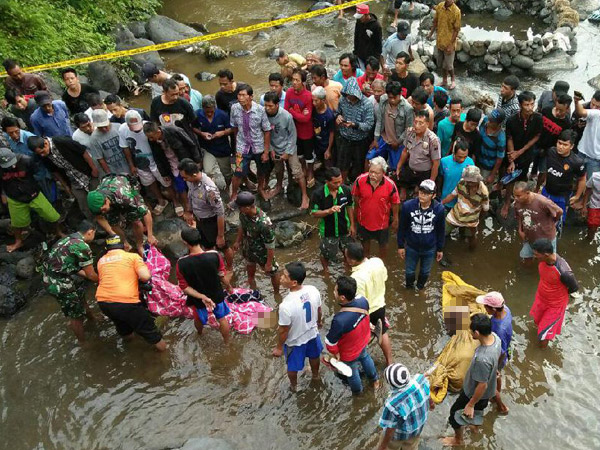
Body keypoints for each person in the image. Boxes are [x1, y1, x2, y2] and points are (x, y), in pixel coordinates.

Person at [96, 235, 167, 351]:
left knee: (123, 327)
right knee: (153, 334)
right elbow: (145, 276)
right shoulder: (132, 257)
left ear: (107, 249)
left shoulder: (101, 261)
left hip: (103, 302)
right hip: (126, 301)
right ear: (124, 246)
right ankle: (164, 357)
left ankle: (131, 349)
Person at [441, 313, 502, 447]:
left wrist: (470, 404)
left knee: (454, 416)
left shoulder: (482, 358)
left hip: (473, 394)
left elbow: (482, 385)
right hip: (487, 394)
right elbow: (500, 355)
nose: (470, 333)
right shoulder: (496, 339)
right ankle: (474, 428)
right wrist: (494, 369)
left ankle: (458, 440)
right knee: (479, 411)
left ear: (477, 332)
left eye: (471, 331)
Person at [41, 221, 98, 342]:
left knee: (80, 297)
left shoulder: (66, 239)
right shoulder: (82, 246)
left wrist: (91, 277)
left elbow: (70, 265)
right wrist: (104, 281)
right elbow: (91, 275)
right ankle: (83, 343)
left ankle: (92, 318)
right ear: (90, 232)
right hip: (59, 283)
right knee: (75, 315)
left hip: (49, 277)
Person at [272, 262, 322, 390]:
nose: (281, 278)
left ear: (294, 282)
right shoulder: (313, 290)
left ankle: (294, 386)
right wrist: (319, 322)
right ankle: (316, 376)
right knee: (314, 356)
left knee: (292, 366)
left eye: (284, 276)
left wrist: (278, 347)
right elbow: (319, 310)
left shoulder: (286, 305)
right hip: (312, 333)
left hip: (295, 341)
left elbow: (283, 330)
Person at [176, 227, 232, 344]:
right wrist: (229, 286)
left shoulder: (181, 263)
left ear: (185, 243)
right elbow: (222, 275)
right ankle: (227, 342)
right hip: (216, 294)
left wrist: (201, 296)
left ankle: (200, 334)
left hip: (197, 298)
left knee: (198, 318)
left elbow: (184, 287)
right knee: (221, 318)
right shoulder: (214, 255)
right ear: (200, 239)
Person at [326, 276, 380, 394]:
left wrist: (335, 353)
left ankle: (358, 393)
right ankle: (375, 380)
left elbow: (330, 342)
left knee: (351, 372)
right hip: (362, 342)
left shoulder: (339, 320)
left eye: (335, 290)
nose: (333, 292)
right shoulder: (363, 300)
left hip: (349, 352)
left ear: (342, 297)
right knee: (365, 357)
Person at [0, 148, 61, 252]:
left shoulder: (26, 160)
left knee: (52, 215)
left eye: (12, 163)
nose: (12, 166)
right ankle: (18, 241)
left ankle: (58, 232)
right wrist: (3, 196)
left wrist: (32, 185)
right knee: (17, 223)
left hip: (34, 195)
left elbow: (39, 173)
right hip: (15, 198)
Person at [179, 158, 233, 270]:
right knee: (207, 246)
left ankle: (230, 268)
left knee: (223, 246)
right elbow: (191, 196)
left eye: (185, 177)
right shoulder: (191, 181)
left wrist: (220, 235)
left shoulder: (209, 189)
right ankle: (216, 266)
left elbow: (220, 212)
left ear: (194, 174)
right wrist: (189, 211)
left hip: (212, 222)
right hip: (200, 221)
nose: (184, 180)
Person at [27, 135, 99, 220]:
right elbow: (55, 171)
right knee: (84, 206)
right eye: (39, 154)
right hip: (74, 181)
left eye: (42, 152)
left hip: (88, 174)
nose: (42, 155)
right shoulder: (43, 156)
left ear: (46, 144)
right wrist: (65, 186)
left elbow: (83, 152)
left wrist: (94, 168)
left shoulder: (61, 141)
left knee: (98, 201)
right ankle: (98, 227)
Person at [346, 241, 393, 366]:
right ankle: (390, 362)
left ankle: (362, 363)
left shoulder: (356, 277)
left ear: (351, 261)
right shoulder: (377, 261)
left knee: (359, 340)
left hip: (368, 311)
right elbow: (385, 278)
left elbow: (360, 302)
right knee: (383, 332)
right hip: (380, 305)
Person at [86, 174, 158, 254]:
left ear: (106, 200)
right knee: (113, 222)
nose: (103, 213)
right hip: (108, 189)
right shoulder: (95, 201)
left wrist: (150, 235)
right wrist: (120, 240)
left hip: (126, 185)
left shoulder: (125, 198)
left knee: (135, 220)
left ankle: (139, 244)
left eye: (103, 210)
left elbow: (146, 213)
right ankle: (126, 244)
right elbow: (101, 218)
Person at [144, 121, 202, 216]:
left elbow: (191, 144)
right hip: (172, 165)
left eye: (152, 137)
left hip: (185, 161)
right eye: (148, 137)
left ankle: (199, 203)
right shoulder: (153, 141)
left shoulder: (174, 131)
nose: (150, 140)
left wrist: (197, 160)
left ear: (158, 132)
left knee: (194, 183)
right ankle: (187, 207)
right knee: (180, 186)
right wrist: (164, 173)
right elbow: (157, 157)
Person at [500, 91, 543, 219]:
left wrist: (520, 152)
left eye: (532, 104)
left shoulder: (538, 118)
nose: (530, 107)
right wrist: (512, 158)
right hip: (511, 151)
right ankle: (507, 202)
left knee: (523, 177)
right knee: (510, 177)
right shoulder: (512, 121)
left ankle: (521, 200)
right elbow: (509, 137)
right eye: (527, 104)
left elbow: (537, 136)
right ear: (520, 105)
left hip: (526, 153)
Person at [119, 110, 170, 215]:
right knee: (149, 182)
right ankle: (161, 201)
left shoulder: (148, 127)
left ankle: (175, 200)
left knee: (166, 181)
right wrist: (131, 165)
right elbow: (126, 148)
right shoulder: (122, 129)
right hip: (140, 162)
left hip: (155, 160)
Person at [264, 91, 309, 208]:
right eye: (266, 105)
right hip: (274, 148)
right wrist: (271, 150)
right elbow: (265, 134)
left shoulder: (286, 116)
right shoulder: (263, 116)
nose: (268, 108)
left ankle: (305, 196)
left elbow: (292, 135)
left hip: (289, 148)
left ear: (277, 105)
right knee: (278, 170)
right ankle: (278, 187)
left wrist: (288, 152)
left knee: (296, 171)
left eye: (270, 106)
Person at [530, 238, 578, 348]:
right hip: (541, 298)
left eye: (536, 254)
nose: (534, 256)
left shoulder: (564, 272)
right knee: (537, 322)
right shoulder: (543, 261)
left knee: (544, 335)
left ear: (546, 254)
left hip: (555, 306)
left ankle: (539, 355)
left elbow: (574, 288)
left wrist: (557, 295)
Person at [397, 179, 445, 289]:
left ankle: (420, 288)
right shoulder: (407, 206)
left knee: (425, 272)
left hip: (429, 248)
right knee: (409, 272)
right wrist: (400, 246)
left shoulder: (439, 209)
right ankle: (409, 289)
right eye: (421, 192)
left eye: (427, 193)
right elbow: (402, 227)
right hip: (411, 246)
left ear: (433, 195)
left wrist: (440, 249)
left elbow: (440, 230)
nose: (422, 195)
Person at [229, 83, 272, 203]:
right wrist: (237, 145)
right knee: (238, 171)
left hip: (258, 146)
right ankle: (234, 194)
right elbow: (234, 127)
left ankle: (260, 189)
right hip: (242, 146)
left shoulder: (260, 110)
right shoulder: (234, 108)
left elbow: (267, 130)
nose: (240, 98)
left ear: (251, 97)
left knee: (261, 170)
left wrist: (266, 152)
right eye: (239, 95)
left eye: (243, 95)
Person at [352, 157, 400, 259]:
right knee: (364, 245)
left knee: (383, 245)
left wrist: (395, 219)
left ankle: (381, 264)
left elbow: (395, 202)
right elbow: (355, 198)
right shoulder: (360, 180)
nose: (373, 175)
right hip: (363, 220)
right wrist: (354, 218)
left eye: (376, 173)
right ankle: (365, 262)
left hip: (382, 222)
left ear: (383, 172)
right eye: (371, 172)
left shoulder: (390, 185)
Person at [233, 191, 280, 293]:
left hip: (262, 252)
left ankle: (277, 293)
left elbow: (270, 246)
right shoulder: (243, 213)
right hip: (248, 247)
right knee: (250, 267)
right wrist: (238, 241)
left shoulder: (264, 223)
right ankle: (252, 287)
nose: (238, 210)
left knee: (273, 271)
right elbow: (242, 225)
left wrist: (268, 263)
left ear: (247, 208)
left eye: (239, 207)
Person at [311, 167, 355, 274]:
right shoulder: (318, 194)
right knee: (325, 253)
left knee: (348, 251)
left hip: (344, 227)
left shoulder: (345, 190)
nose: (338, 185)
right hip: (328, 230)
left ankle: (347, 269)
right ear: (327, 182)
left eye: (340, 181)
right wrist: (328, 211)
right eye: (335, 183)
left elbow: (350, 206)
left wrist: (352, 225)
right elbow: (313, 213)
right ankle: (326, 272)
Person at [377, 363, 430, 450]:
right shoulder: (420, 379)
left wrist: (382, 446)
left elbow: (390, 429)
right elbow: (428, 393)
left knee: (390, 447)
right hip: (417, 429)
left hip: (399, 435)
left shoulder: (392, 405)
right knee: (411, 446)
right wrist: (431, 404)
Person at [476, 291, 512, 414]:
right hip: (506, 350)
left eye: (486, 307)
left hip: (498, 357)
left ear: (494, 309)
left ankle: (502, 407)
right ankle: (497, 389)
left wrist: (494, 366)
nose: (484, 308)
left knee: (490, 386)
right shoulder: (506, 309)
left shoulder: (499, 329)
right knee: (497, 376)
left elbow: (500, 352)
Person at [1, 117, 54, 201]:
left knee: (49, 192)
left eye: (17, 131)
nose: (14, 135)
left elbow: (44, 155)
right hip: (27, 172)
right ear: (6, 132)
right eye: (11, 133)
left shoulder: (29, 138)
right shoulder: (7, 136)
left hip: (39, 171)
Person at [541, 130, 586, 226]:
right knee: (542, 216)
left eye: (565, 145)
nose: (560, 147)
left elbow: (582, 179)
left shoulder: (577, 162)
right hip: (546, 191)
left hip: (562, 197)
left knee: (558, 221)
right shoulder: (551, 151)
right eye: (559, 143)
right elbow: (546, 169)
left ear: (571, 146)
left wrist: (577, 196)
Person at [336, 77, 375, 182]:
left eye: (351, 95)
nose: (349, 97)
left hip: (360, 140)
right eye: (347, 95)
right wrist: (338, 117)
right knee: (343, 165)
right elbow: (337, 112)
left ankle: (357, 186)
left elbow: (369, 124)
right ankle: (342, 186)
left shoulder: (366, 104)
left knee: (358, 167)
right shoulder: (343, 100)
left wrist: (355, 125)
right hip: (345, 138)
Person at [396, 110, 441, 201]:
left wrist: (431, 181)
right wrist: (399, 166)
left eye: (420, 123)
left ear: (427, 124)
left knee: (422, 192)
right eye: (415, 122)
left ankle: (418, 190)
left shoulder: (433, 140)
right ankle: (403, 191)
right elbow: (405, 151)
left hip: (424, 172)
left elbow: (436, 163)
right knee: (400, 177)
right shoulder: (410, 132)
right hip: (411, 167)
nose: (417, 125)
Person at [193, 95, 234, 191]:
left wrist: (223, 133)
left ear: (215, 107)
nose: (210, 114)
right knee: (207, 171)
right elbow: (193, 127)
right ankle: (212, 187)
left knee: (227, 173)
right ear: (203, 108)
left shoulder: (223, 115)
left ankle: (228, 186)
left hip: (222, 149)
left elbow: (232, 129)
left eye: (212, 111)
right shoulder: (197, 114)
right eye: (207, 112)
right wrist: (201, 133)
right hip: (208, 149)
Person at [443, 165, 490, 249]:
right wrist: (441, 203)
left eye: (471, 182)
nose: (469, 184)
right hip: (456, 213)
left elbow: (485, 209)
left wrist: (477, 221)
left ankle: (471, 253)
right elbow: (452, 195)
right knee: (442, 232)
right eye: (467, 181)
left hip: (471, 219)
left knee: (471, 237)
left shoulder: (484, 192)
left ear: (478, 180)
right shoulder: (462, 182)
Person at [513, 181, 562, 262]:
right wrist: (520, 230)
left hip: (546, 238)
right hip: (530, 237)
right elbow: (519, 216)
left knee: (550, 260)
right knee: (526, 258)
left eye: (518, 196)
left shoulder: (543, 202)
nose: (515, 198)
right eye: (514, 195)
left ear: (527, 193)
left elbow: (559, 211)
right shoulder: (517, 203)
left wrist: (553, 222)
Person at [371, 81, 414, 170]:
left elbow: (408, 129)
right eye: (390, 97)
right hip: (383, 137)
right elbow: (379, 120)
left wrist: (398, 142)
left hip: (398, 142)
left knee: (396, 168)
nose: (392, 100)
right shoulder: (383, 100)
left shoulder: (407, 108)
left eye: (395, 97)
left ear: (400, 94)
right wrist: (376, 139)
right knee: (371, 160)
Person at [534, 93, 572, 190]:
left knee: (543, 170)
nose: (558, 112)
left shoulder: (566, 123)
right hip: (535, 144)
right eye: (557, 108)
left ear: (567, 109)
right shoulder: (546, 111)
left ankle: (537, 188)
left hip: (548, 150)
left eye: (561, 110)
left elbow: (562, 140)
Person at [285, 69, 315, 188]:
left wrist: (293, 111)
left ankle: (310, 172)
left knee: (309, 155)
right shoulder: (289, 92)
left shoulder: (308, 96)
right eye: (293, 80)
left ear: (302, 82)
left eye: (297, 80)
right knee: (300, 154)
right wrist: (298, 113)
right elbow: (287, 111)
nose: (294, 82)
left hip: (307, 131)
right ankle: (303, 169)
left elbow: (306, 119)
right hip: (294, 131)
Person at [150, 79, 197, 143]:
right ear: (164, 92)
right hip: (167, 139)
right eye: (172, 95)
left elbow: (193, 119)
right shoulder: (156, 102)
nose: (175, 97)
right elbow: (154, 121)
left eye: (177, 94)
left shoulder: (184, 103)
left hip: (184, 137)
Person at [427, 0, 461, 90]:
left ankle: (453, 80)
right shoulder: (440, 6)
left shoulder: (456, 11)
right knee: (442, 63)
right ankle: (444, 80)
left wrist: (450, 44)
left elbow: (456, 30)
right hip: (440, 41)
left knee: (449, 64)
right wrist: (430, 34)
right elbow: (435, 21)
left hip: (449, 42)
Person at [89, 110, 131, 176]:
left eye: (105, 126)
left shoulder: (118, 127)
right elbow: (100, 159)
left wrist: (131, 165)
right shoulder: (94, 138)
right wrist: (109, 174)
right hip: (114, 170)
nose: (104, 129)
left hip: (127, 164)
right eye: (100, 127)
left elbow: (127, 148)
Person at [439, 138, 474, 211]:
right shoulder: (444, 161)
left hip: (461, 202)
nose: (462, 160)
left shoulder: (470, 163)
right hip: (445, 200)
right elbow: (440, 179)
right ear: (454, 153)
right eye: (460, 157)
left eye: (465, 157)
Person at [573, 90, 600, 179]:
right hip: (581, 152)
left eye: (598, 106)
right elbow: (581, 112)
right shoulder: (595, 112)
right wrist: (576, 101)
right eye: (593, 104)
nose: (594, 108)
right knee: (573, 177)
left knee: (591, 183)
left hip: (596, 159)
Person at [477, 108, 506, 185]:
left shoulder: (500, 138)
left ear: (498, 123)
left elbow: (499, 159)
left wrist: (492, 175)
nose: (489, 122)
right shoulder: (485, 120)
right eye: (490, 119)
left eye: (492, 121)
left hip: (488, 167)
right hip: (477, 160)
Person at [353, 3, 382, 70]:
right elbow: (356, 37)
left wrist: (376, 60)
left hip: (370, 57)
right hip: (359, 55)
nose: (359, 19)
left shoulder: (376, 26)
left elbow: (378, 45)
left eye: (360, 17)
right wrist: (355, 52)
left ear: (366, 15)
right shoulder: (359, 21)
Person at [312, 87, 336, 163]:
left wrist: (328, 149)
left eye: (316, 101)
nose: (314, 103)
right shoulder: (313, 109)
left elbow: (332, 133)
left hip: (325, 145)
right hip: (316, 144)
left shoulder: (329, 115)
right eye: (313, 100)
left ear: (323, 100)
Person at [581, 170, 600, 240]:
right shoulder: (595, 177)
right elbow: (588, 190)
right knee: (592, 227)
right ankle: (588, 241)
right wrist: (584, 206)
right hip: (595, 204)